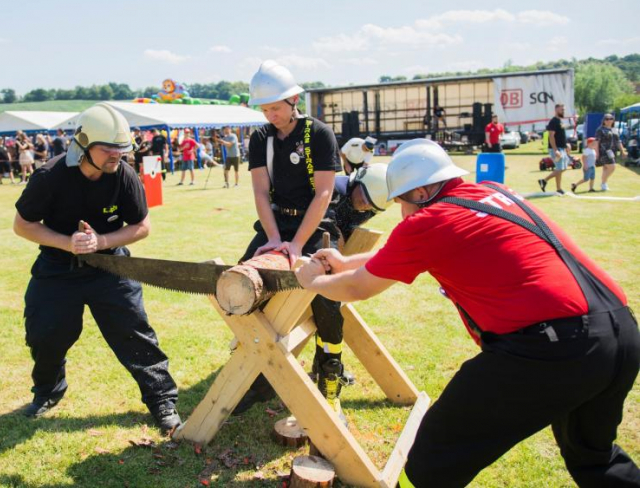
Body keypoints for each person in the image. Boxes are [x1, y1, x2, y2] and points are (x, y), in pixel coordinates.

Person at [296, 138, 639, 488]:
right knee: (595, 458)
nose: (401, 212)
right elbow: (396, 256)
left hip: (552, 345)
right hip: (619, 330)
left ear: (423, 191)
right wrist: (344, 262)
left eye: (401, 201)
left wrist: (314, 283)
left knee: (431, 463)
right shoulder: (491, 192)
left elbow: (356, 288)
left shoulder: (429, 221)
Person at [12, 103, 180, 431]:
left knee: (135, 335)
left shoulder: (124, 175)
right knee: (45, 334)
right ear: (84, 144)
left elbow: (142, 226)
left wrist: (101, 242)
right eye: (108, 150)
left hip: (111, 267)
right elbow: (23, 224)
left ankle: (162, 400)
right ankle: (48, 391)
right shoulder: (50, 175)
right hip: (58, 267)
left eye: (122, 149)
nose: (117, 156)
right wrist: (68, 242)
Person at [233, 60, 351, 418]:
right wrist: (272, 238)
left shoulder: (319, 134)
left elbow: (324, 194)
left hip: (314, 226)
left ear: (294, 99)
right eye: (264, 109)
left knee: (326, 297)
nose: (270, 114)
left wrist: (298, 246)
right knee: (239, 286)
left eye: (275, 107)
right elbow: (259, 192)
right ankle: (253, 376)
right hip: (276, 224)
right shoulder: (260, 138)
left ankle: (330, 370)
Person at [538, 103, 570, 195]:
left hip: (562, 148)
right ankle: (544, 180)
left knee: (562, 168)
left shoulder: (560, 121)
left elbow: (561, 135)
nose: (563, 111)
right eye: (561, 110)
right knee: (560, 168)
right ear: (556, 110)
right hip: (556, 149)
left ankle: (558, 188)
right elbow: (551, 136)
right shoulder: (553, 121)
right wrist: (556, 150)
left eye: (563, 110)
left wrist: (566, 144)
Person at [595, 113, 626, 192]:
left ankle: (603, 183)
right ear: (604, 121)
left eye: (611, 119)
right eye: (607, 119)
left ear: (613, 120)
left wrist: (622, 151)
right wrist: (597, 153)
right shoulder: (600, 129)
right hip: (604, 151)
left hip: (612, 151)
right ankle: (603, 183)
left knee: (606, 168)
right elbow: (597, 142)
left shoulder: (614, 129)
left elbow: (618, 141)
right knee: (612, 167)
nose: (609, 121)